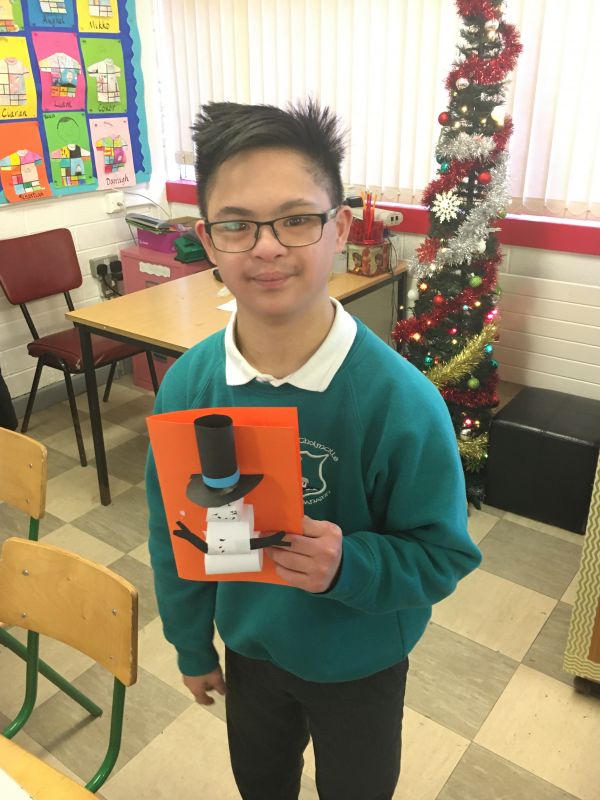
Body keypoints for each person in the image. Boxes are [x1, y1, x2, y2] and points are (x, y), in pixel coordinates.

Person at [146, 100, 482, 800]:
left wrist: (348, 564)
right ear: (208, 240)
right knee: (261, 783)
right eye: (237, 224)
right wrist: (190, 643)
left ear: (341, 229)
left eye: (296, 219)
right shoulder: (190, 385)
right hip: (250, 648)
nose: (266, 248)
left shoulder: (400, 402)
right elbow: (171, 530)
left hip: (361, 659)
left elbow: (443, 556)